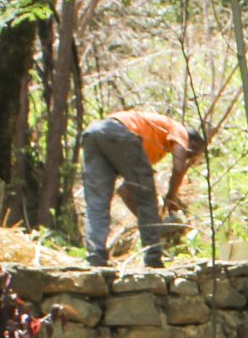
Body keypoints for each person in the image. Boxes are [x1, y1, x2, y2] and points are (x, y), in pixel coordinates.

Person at [81, 110, 208, 269]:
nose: (192, 155)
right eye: (194, 149)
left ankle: (96, 255)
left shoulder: (151, 148)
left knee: (97, 202)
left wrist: (152, 223)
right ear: (190, 139)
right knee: (148, 199)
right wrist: (171, 196)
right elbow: (178, 166)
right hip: (119, 131)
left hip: (93, 133)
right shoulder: (178, 129)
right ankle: (153, 258)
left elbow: (125, 191)